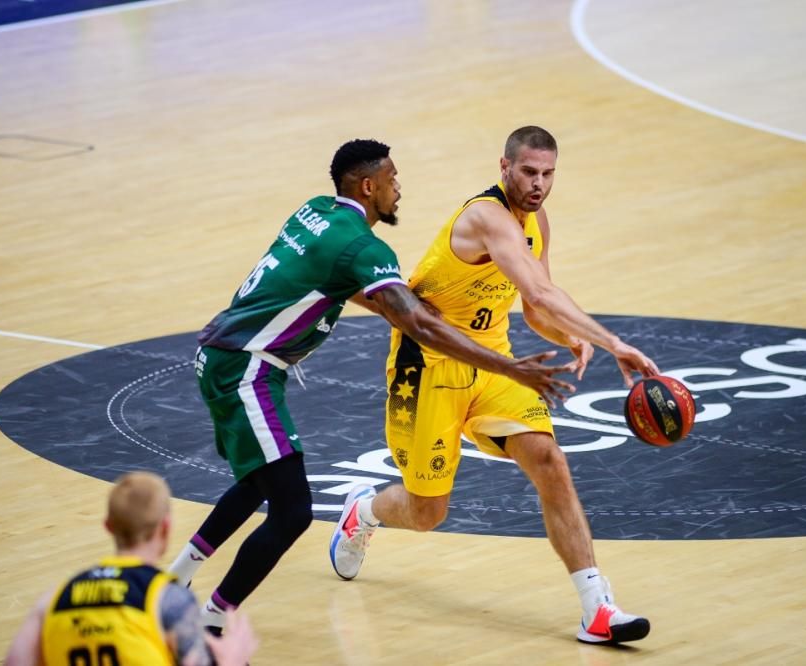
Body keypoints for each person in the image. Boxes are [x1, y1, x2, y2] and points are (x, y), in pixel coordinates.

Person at [166, 139, 574, 634]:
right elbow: (418, 326)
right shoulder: (364, 248)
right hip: (247, 369)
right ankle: (209, 625)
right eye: (392, 180)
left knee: (258, 483)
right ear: (368, 185)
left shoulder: (315, 212)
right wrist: (503, 364)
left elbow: (332, 282)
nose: (398, 189)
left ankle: (175, 582)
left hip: (221, 354)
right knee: (293, 511)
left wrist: (400, 306)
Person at [329, 126, 661, 645]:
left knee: (550, 461)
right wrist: (613, 342)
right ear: (504, 167)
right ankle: (363, 511)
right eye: (529, 171)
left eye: (548, 174)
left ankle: (598, 607)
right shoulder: (484, 216)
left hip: (494, 363)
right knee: (426, 512)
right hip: (428, 367)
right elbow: (543, 290)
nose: (538, 183)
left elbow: (533, 308)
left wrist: (567, 335)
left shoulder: (536, 221)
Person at [4, 472, 257, 666]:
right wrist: (230, 659)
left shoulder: (53, 600)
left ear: (108, 526)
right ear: (165, 528)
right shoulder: (169, 601)